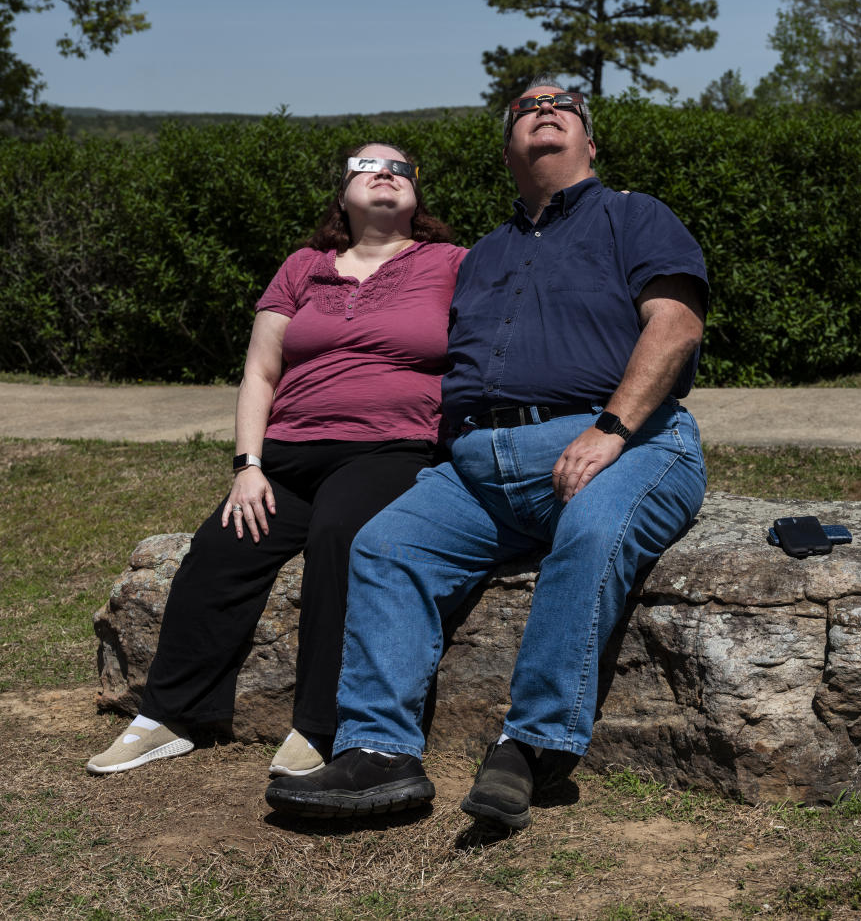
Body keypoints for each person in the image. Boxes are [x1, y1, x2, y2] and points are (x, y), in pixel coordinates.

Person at [265, 77, 709, 828]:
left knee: (592, 532)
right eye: (526, 108)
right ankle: (380, 754)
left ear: (589, 143)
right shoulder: (480, 254)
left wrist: (609, 429)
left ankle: (530, 745)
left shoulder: (634, 217)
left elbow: (675, 326)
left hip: (625, 441)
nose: (544, 110)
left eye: (561, 105)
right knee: (386, 544)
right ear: (508, 150)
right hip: (480, 465)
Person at [87, 143, 467, 777]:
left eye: (399, 169)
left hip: (391, 446)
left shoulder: (452, 264)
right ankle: (167, 716)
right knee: (220, 546)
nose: (385, 175)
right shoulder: (303, 267)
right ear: (342, 194)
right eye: (367, 167)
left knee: (339, 535)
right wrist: (247, 465)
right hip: (288, 452)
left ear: (416, 194)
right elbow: (261, 374)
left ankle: (319, 724)